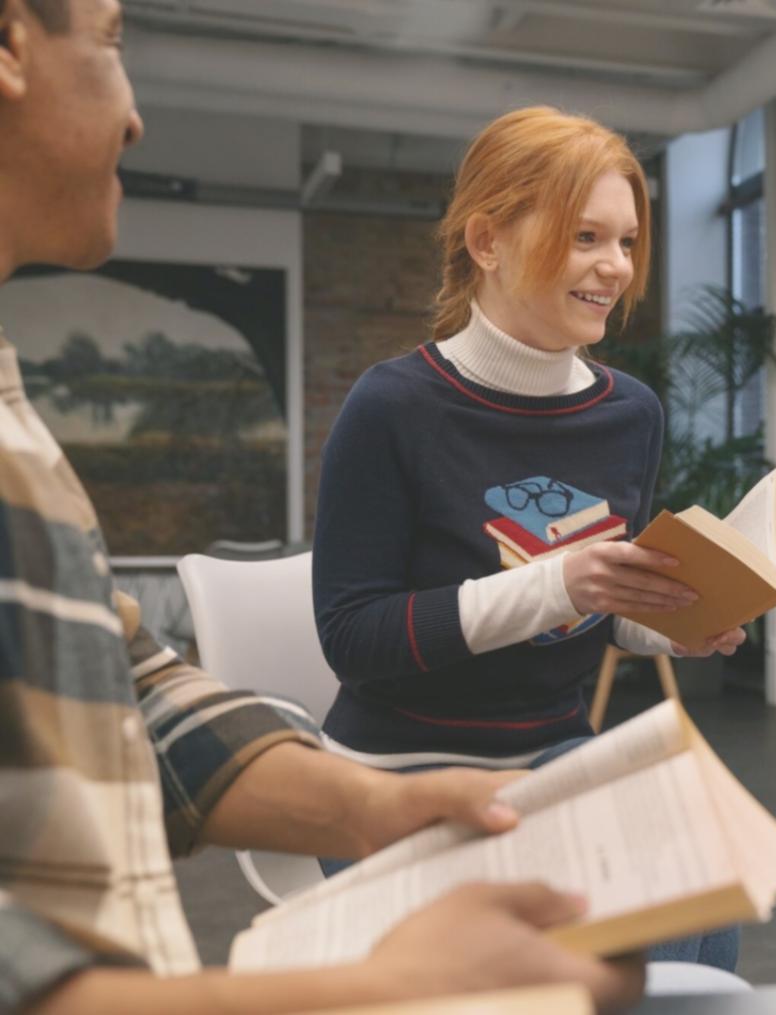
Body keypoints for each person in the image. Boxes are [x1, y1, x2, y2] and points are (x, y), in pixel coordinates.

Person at [0, 1, 642, 1011]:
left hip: (515, 766)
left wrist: (374, 808)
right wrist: (374, 984)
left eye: (625, 242)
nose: (137, 117)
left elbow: (129, 686)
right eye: (116, 37)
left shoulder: (14, 427)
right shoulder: (394, 402)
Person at [310, 105, 745, 969]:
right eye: (585, 236)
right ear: (487, 240)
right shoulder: (393, 406)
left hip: (550, 754)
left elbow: (600, 604)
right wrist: (564, 582)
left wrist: (676, 620)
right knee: (613, 938)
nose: (614, 267)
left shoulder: (631, 412)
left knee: (706, 891)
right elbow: (353, 638)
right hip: (396, 770)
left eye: (625, 241)